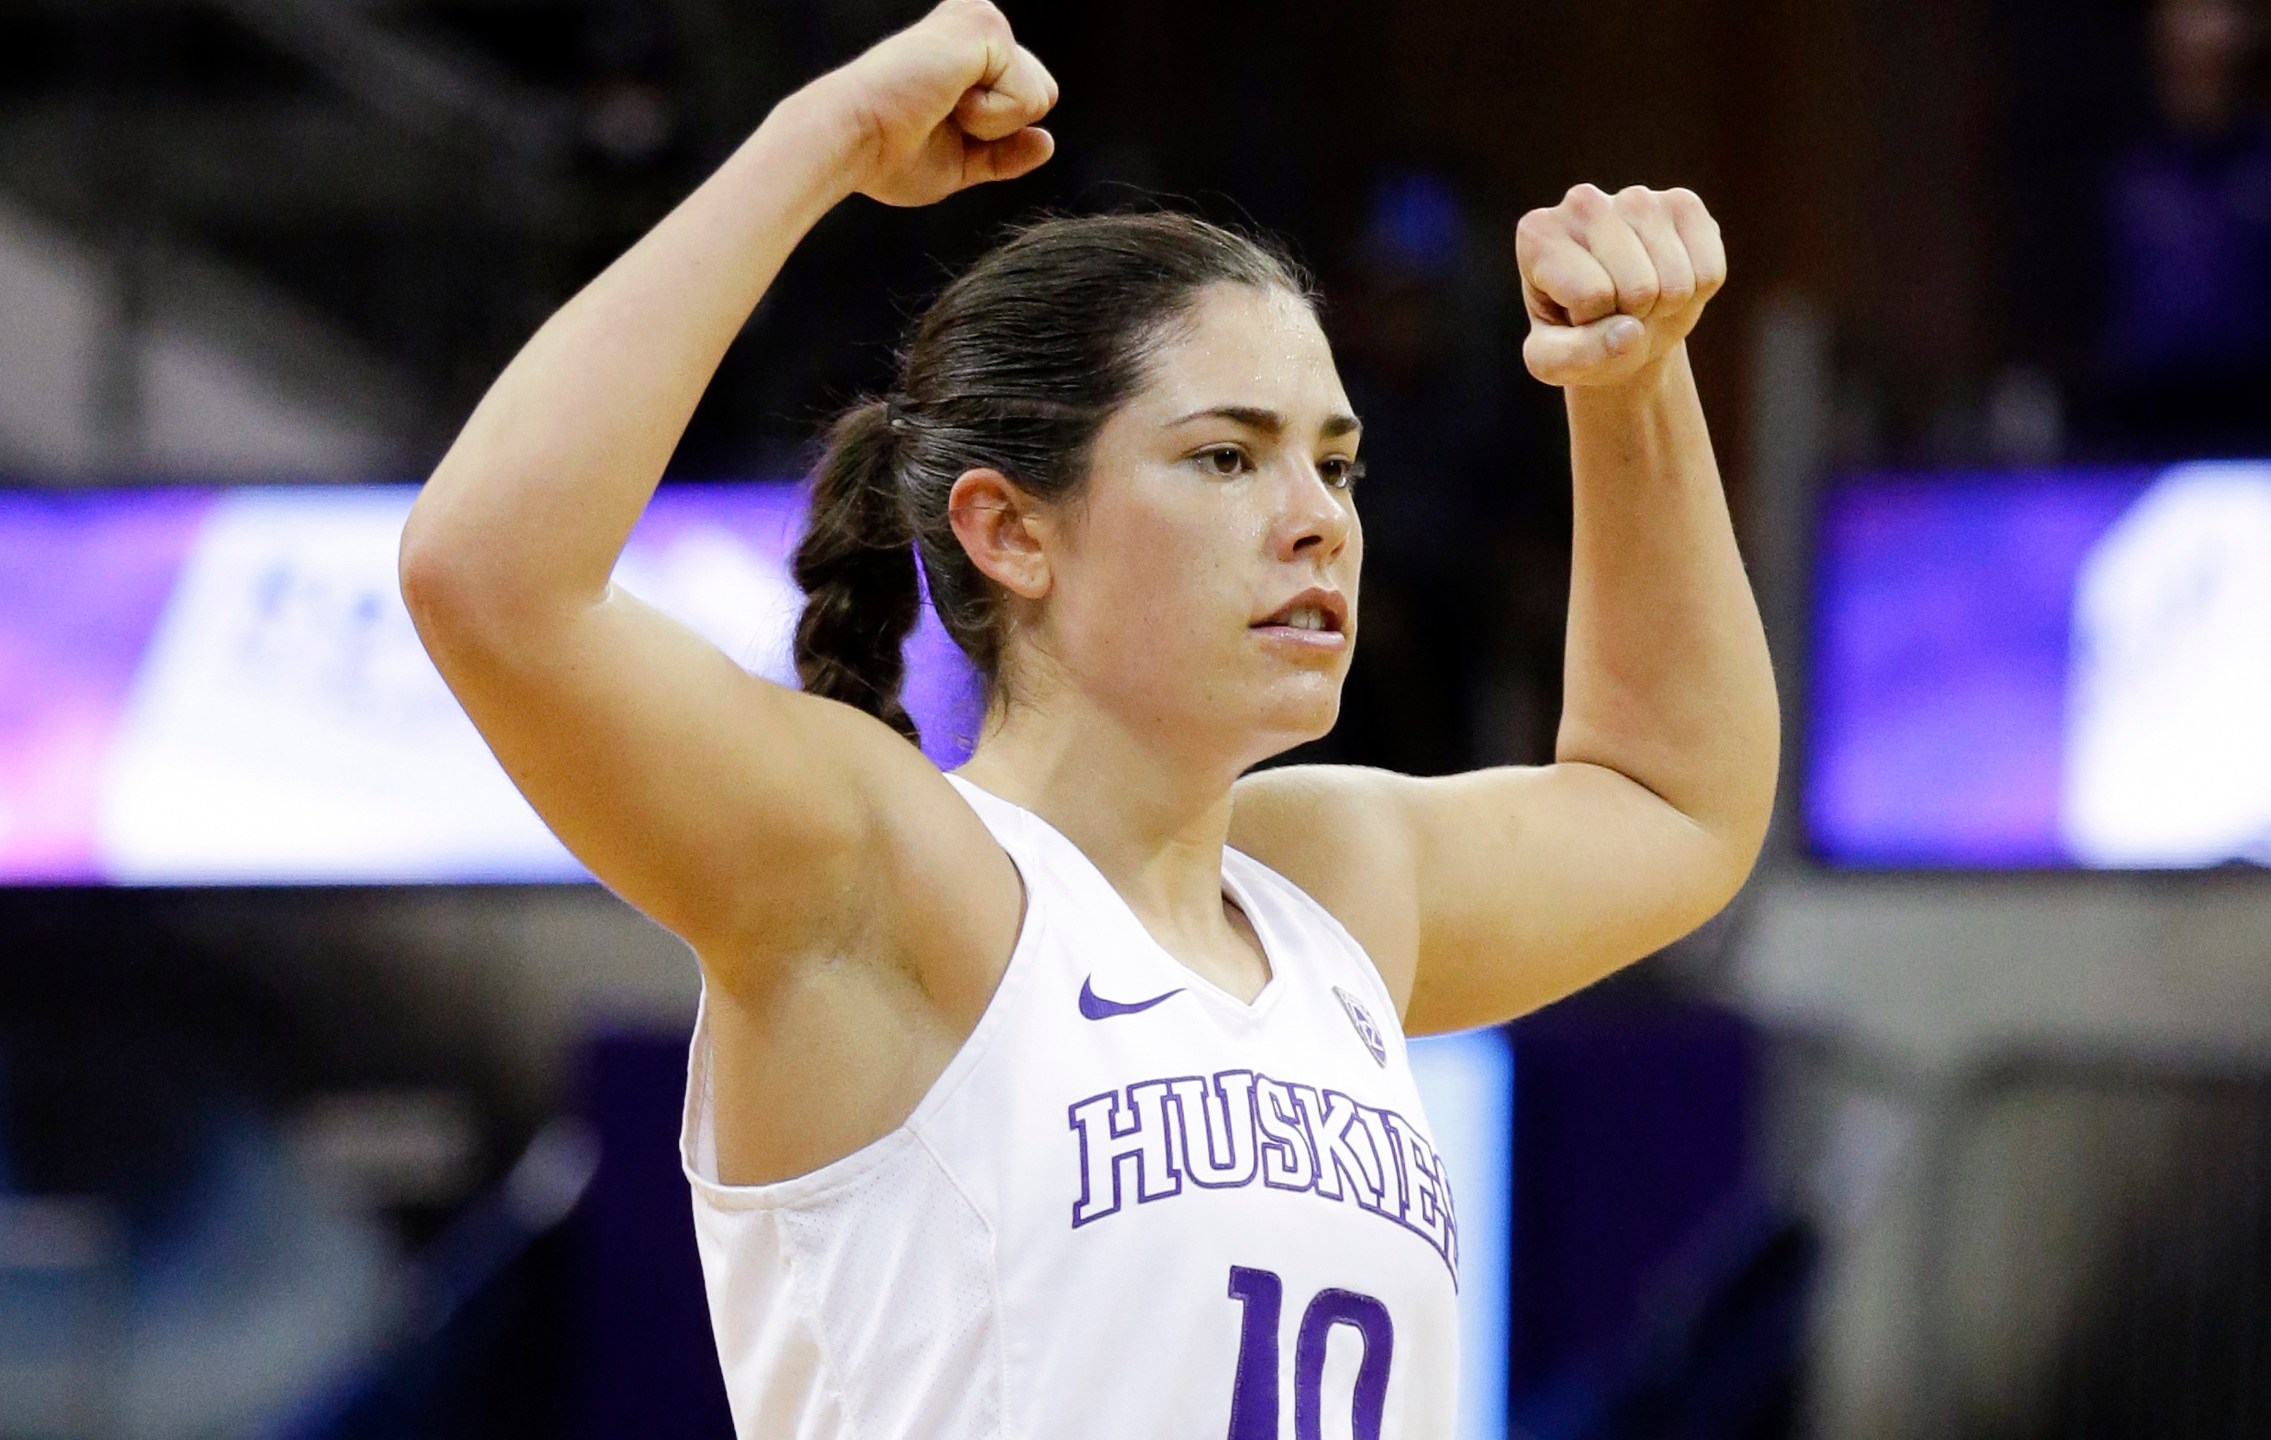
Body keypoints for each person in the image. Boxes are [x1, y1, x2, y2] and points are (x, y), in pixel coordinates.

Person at [397, 2, 1776, 1435]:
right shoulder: (892, 876)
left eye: (1340, 466)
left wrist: (1633, 381)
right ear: (1011, 531)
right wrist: (819, 145)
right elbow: (488, 580)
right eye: (1228, 457)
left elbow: (1674, 801)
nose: (1316, 523)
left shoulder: (1334, 893)